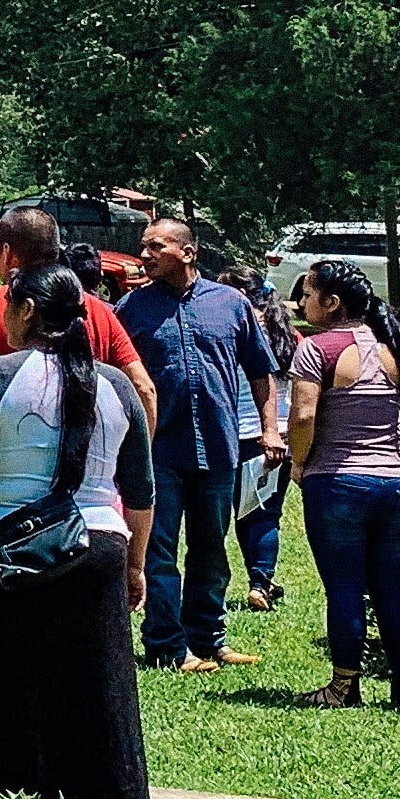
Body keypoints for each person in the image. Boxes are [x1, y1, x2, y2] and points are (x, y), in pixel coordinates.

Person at [0, 264, 156, 799]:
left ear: (29, 310)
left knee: (14, 684)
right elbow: (140, 489)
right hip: (101, 547)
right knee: (103, 685)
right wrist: (135, 566)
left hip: (16, 552)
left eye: (9, 305)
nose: (4, 317)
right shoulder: (118, 385)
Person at [121, 218, 271, 675]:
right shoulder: (131, 308)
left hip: (220, 447)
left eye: (155, 247)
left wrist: (271, 429)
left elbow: (260, 371)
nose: (144, 255)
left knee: (212, 548)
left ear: (187, 253)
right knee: (159, 551)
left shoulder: (231, 304)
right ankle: (168, 644)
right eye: (143, 247)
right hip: (158, 452)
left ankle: (209, 637)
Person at [284, 257, 400, 709]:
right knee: (392, 585)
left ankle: (344, 686)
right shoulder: (392, 347)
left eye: (307, 294)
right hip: (396, 484)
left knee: (344, 585)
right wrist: (398, 458)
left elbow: (304, 415)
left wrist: (299, 464)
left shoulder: (317, 349)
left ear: (332, 302)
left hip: (338, 480)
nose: (301, 302)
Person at [0, 206, 159, 431]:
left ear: (6, 253)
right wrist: (137, 458)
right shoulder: (96, 310)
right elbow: (144, 388)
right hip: (88, 457)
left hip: (10, 460)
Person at [226, 256, 293, 611]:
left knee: (244, 510)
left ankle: (259, 580)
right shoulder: (286, 330)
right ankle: (261, 580)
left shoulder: (232, 326)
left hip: (239, 431)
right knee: (266, 512)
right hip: (278, 432)